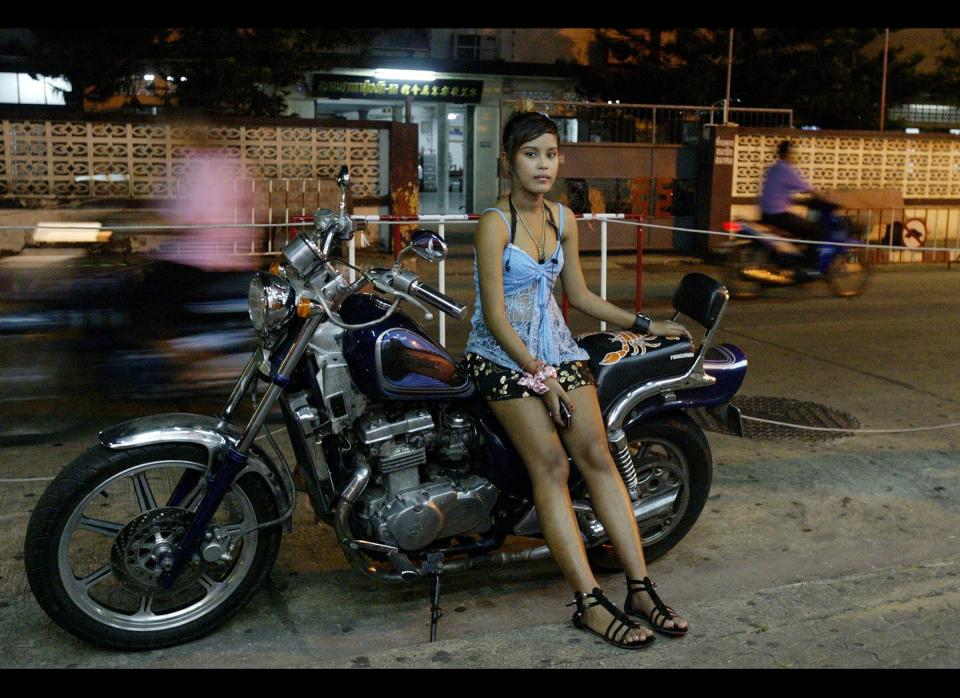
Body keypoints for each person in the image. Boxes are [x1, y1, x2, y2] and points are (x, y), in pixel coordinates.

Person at [459, 109, 691, 650]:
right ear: (508, 163)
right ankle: (587, 601)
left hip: (559, 350)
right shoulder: (494, 224)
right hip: (502, 358)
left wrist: (643, 322)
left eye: (550, 153)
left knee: (597, 456)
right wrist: (541, 377)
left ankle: (639, 587)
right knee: (551, 465)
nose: (543, 164)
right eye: (530, 154)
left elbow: (580, 298)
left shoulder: (564, 219)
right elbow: (494, 315)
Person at [760, 140, 825, 266]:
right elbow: (807, 188)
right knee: (816, 231)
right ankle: (809, 265)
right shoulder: (786, 170)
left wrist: (798, 201)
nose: (795, 156)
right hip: (778, 215)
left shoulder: (774, 169)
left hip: (766, 213)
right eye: (793, 153)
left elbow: (779, 192)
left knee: (801, 226)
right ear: (788, 154)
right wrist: (823, 198)